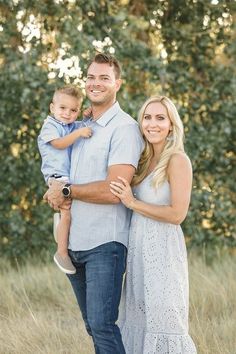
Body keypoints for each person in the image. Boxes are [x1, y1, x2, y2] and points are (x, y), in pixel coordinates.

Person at [43, 53, 144, 354]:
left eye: (104, 78)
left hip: (105, 243)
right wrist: (55, 190)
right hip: (74, 241)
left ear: (118, 84)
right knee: (93, 326)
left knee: (102, 325)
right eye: (90, 77)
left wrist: (66, 192)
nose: (95, 83)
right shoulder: (80, 124)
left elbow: (115, 190)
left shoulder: (124, 129)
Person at [110, 96, 197, 353]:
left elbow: (177, 214)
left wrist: (133, 203)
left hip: (164, 256)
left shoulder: (178, 160)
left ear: (171, 124)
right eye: (147, 117)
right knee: (138, 324)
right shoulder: (141, 160)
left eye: (160, 118)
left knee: (165, 326)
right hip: (139, 256)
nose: (153, 124)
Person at [38, 86, 92, 274]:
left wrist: (86, 116)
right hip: (57, 176)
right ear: (52, 108)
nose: (68, 114)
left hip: (66, 177)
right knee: (67, 213)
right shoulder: (50, 126)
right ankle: (61, 252)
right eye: (63, 108)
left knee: (69, 213)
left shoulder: (70, 125)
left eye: (73, 110)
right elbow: (60, 144)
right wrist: (78, 132)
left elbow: (85, 126)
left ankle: (59, 225)